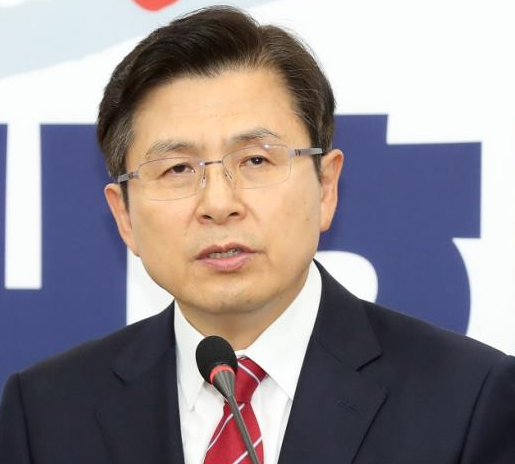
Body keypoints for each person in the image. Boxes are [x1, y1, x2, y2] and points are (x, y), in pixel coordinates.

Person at [1, 5, 514, 464]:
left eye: (255, 160)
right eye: (178, 169)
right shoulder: (43, 414)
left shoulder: (469, 402)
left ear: (326, 186)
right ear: (125, 216)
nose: (218, 204)